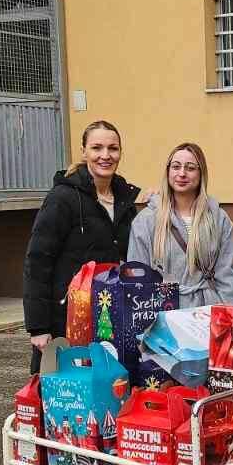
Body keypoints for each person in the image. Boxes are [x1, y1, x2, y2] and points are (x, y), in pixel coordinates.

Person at [23, 120, 141, 370]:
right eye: (97, 148)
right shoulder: (62, 198)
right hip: (65, 320)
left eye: (113, 148)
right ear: (84, 152)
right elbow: (38, 261)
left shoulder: (125, 200)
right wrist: (38, 327)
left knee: (106, 386)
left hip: (109, 318)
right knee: (63, 388)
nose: (105, 156)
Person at [127, 142, 233, 308]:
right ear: (168, 172)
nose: (182, 173)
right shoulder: (146, 220)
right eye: (176, 167)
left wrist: (230, 315)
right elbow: (137, 277)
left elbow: (227, 277)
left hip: (206, 311)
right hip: (163, 312)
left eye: (190, 168)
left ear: (201, 173)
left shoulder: (218, 219)